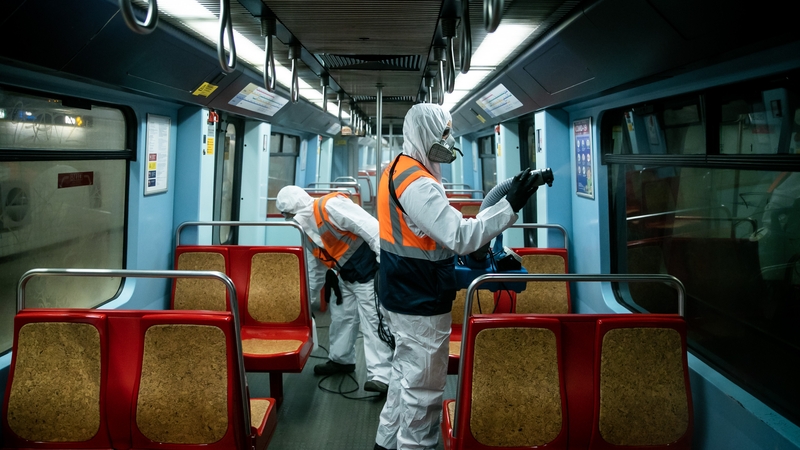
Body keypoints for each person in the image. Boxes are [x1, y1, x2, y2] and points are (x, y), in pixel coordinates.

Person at [373, 103, 542, 450]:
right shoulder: (417, 184)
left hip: (400, 291)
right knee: (422, 393)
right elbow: (461, 236)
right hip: (419, 299)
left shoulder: (398, 168)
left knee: (404, 378)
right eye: (444, 132)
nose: (448, 141)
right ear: (426, 133)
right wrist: (510, 205)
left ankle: (385, 444)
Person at [276, 185, 393, 394]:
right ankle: (341, 360)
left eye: (290, 216)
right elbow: (315, 269)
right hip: (343, 275)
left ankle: (382, 376)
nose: (291, 220)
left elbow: (371, 229)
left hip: (368, 271)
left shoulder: (331, 206)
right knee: (341, 317)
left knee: (372, 322)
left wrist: (384, 264)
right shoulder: (306, 231)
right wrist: (307, 303)